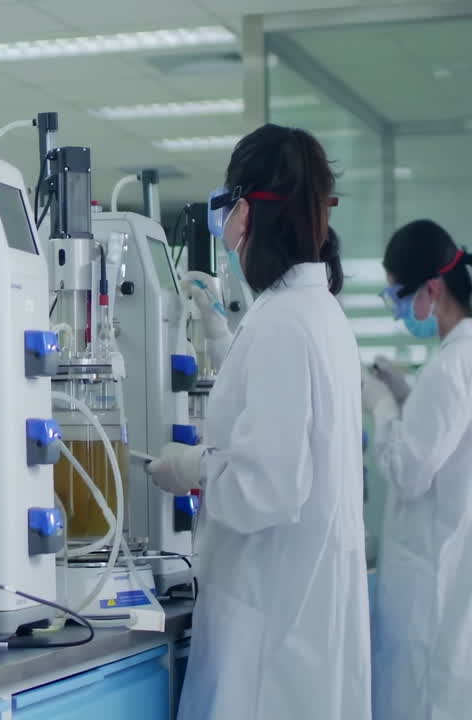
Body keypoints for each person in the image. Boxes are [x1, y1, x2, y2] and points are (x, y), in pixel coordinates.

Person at [147, 124, 370, 720]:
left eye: (224, 207)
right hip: (298, 623)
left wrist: (192, 468)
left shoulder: (285, 323)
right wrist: (223, 340)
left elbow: (267, 487)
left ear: (243, 211)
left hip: (271, 642)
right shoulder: (313, 314)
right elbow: (281, 422)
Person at [363, 219, 472, 720]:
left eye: (399, 299)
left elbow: (410, 471)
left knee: (421, 699)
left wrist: (383, 406)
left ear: (432, 288)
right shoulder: (458, 360)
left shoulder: (451, 367)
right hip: (448, 576)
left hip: (431, 585)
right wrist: (409, 398)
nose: (400, 313)